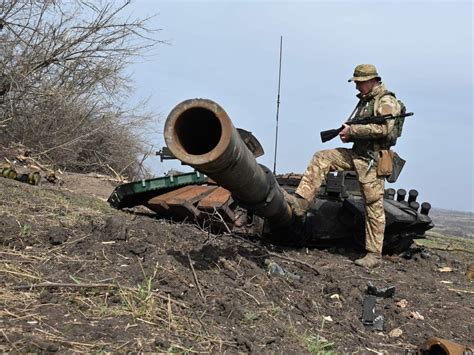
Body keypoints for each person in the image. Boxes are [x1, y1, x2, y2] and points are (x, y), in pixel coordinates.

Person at [286, 64, 404, 268]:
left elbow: (384, 128)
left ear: (372, 80)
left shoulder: (386, 100)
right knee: (322, 157)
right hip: (357, 154)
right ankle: (302, 202)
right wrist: (347, 133)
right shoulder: (365, 102)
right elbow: (362, 129)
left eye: (360, 83)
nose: (357, 87)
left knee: (373, 206)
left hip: (372, 161)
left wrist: (353, 131)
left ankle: (374, 255)